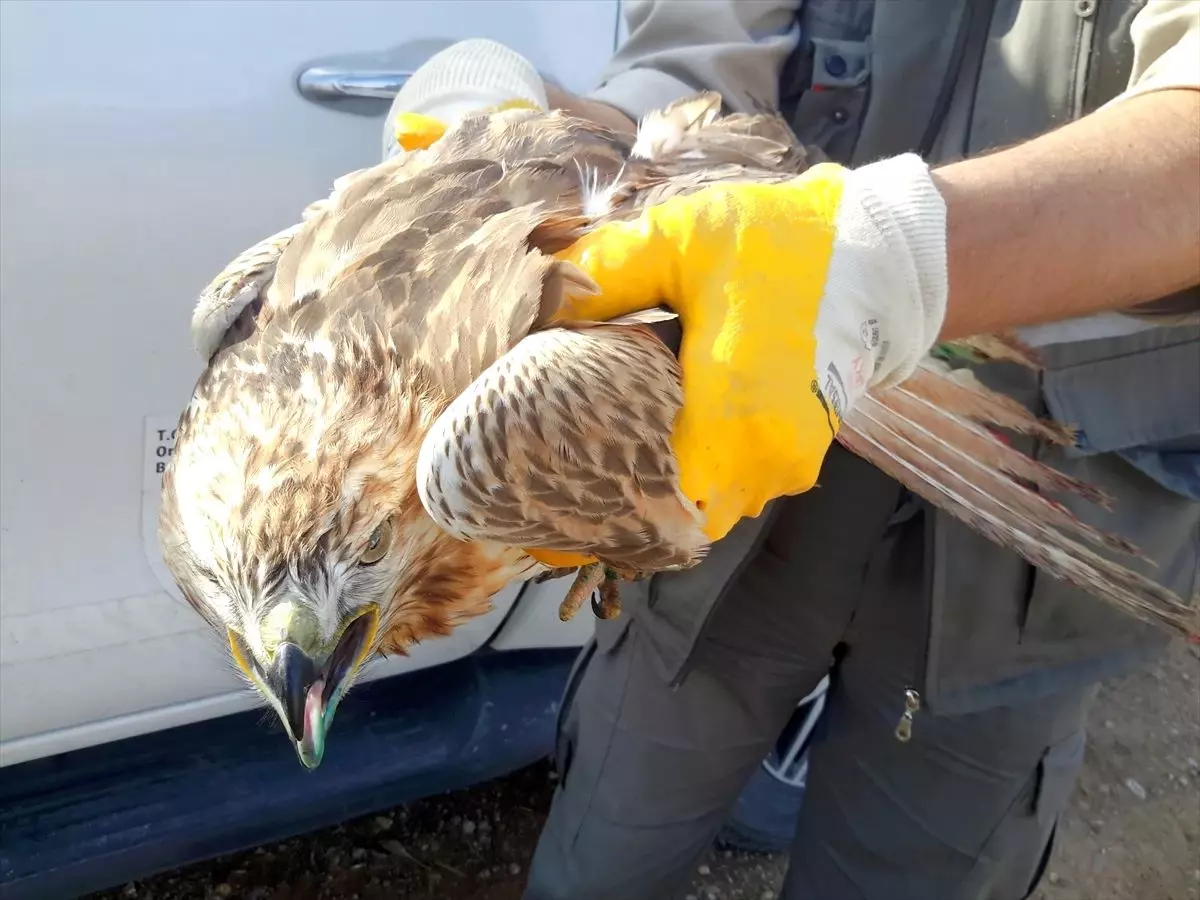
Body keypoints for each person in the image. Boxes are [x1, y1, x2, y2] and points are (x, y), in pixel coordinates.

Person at [384, 5, 1200, 898]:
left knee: (914, 870)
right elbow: (702, 58)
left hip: (1029, 514)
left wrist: (892, 255)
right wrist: (554, 136)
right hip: (741, 484)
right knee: (604, 852)